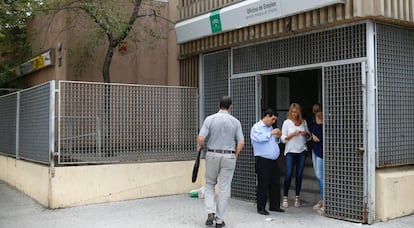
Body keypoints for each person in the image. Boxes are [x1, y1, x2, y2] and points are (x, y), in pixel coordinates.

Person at [197, 96, 245, 228]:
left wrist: (201, 146)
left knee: (210, 184)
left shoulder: (210, 119)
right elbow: (241, 142)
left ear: (219, 105)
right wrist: (235, 155)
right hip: (229, 156)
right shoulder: (235, 122)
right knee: (224, 188)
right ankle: (219, 220)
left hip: (212, 154)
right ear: (231, 107)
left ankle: (210, 211)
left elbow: (201, 138)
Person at [250, 109, 285, 215]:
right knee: (263, 184)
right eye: (273, 119)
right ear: (267, 116)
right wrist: (270, 133)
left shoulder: (271, 128)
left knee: (275, 183)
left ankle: (274, 206)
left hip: (273, 160)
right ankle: (261, 207)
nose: (273, 122)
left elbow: (275, 141)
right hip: (263, 160)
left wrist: (278, 136)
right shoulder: (257, 127)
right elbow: (258, 139)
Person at [281, 103, 311, 208]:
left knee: (299, 175)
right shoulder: (286, 123)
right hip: (290, 151)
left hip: (301, 150)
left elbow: (309, 137)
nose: (294, 114)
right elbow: (283, 139)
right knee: (288, 174)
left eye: (296, 112)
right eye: (292, 112)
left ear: (299, 112)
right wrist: (292, 135)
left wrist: (305, 134)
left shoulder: (304, 122)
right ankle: (285, 197)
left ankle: (297, 197)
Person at [311, 107, 324, 211]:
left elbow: (320, 137)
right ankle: (322, 199)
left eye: (319, 112)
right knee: (317, 175)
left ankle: (324, 200)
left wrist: (315, 135)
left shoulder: (326, 123)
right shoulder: (314, 120)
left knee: (320, 176)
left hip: (322, 152)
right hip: (314, 150)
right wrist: (312, 135)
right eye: (316, 113)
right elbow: (313, 132)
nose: (318, 115)